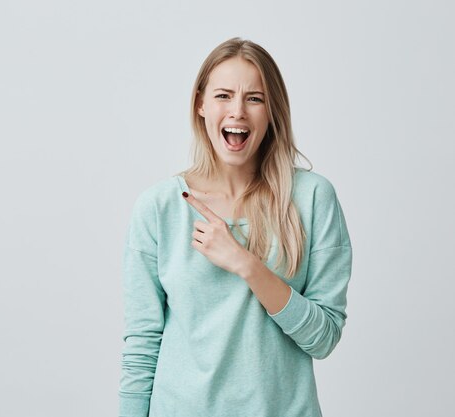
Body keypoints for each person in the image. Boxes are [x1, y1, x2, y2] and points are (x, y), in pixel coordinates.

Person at [119, 37, 352, 417]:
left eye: (255, 98)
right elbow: (142, 345)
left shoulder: (312, 198)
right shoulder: (158, 208)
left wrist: (247, 265)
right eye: (223, 95)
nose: (238, 112)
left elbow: (323, 338)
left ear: (272, 110)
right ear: (200, 104)